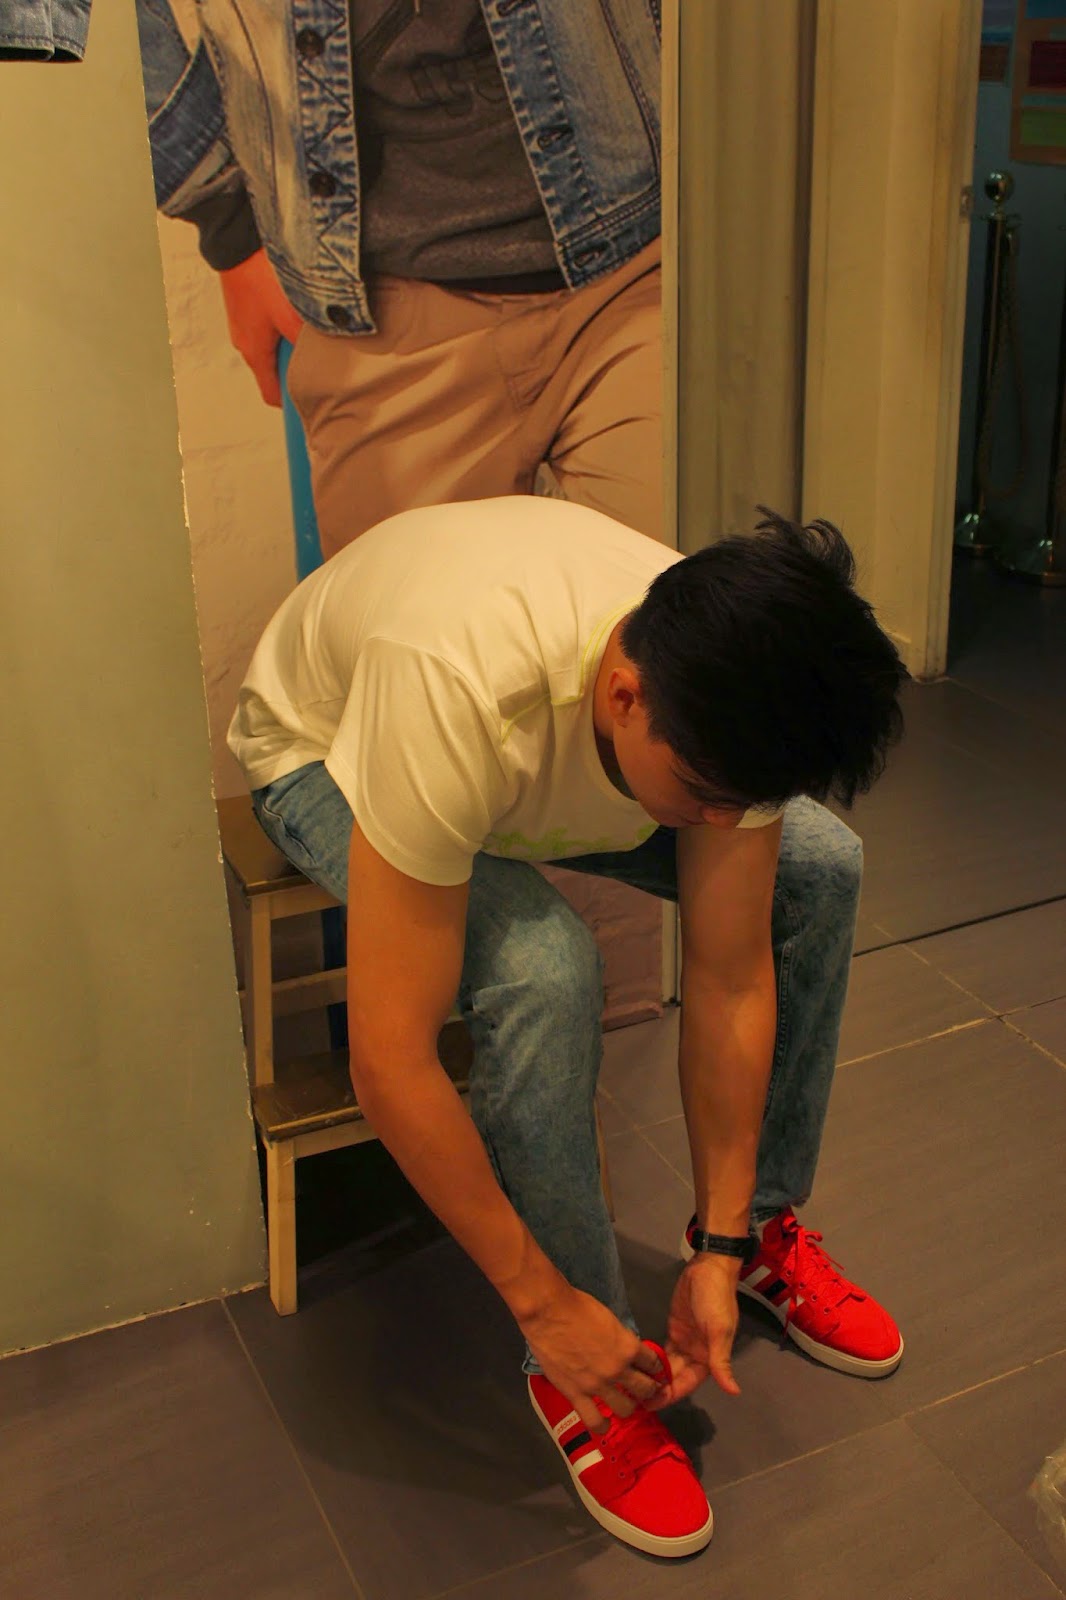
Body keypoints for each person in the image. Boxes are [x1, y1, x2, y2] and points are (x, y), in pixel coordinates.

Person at [228, 496, 909, 1560]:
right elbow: (391, 1061)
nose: (724, 822)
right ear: (626, 694)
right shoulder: (455, 684)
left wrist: (719, 1241)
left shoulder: (722, 673)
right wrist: (540, 1302)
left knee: (819, 868)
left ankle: (758, 1235)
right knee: (545, 970)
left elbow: (731, 976)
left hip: (522, 757)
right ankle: (582, 1361)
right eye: (707, 794)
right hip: (325, 750)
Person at [136, 1, 665, 553]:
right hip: (384, 310)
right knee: (415, 605)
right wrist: (226, 218)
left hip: (638, 263)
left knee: (679, 597)